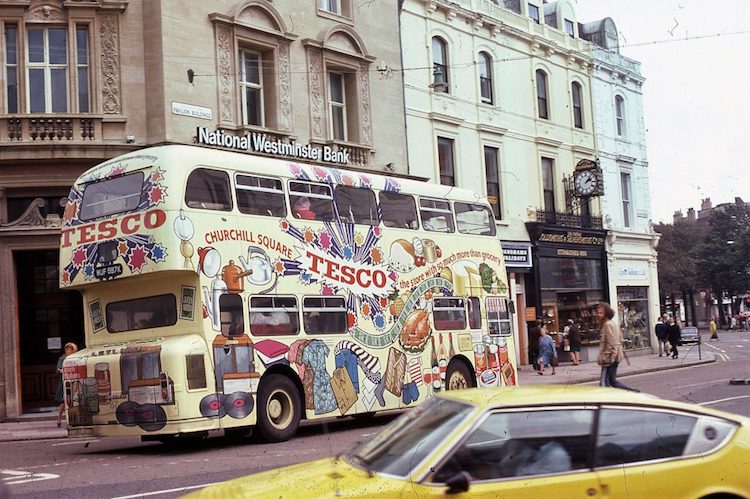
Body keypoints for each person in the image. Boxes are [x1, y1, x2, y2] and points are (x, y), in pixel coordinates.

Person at [597, 303, 638, 391]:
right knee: (612, 381)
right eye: (598, 313)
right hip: (616, 356)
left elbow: (611, 343)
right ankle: (631, 391)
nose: (598, 315)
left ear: (606, 313)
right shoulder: (613, 324)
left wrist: (606, 356)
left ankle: (609, 400)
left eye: (601, 313)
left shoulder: (607, 325)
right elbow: (620, 338)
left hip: (610, 357)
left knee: (604, 382)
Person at [55, 342, 78, 427]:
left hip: (74, 381)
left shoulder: (76, 358)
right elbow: (58, 370)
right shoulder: (62, 359)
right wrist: (62, 370)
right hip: (65, 382)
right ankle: (59, 418)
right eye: (67, 349)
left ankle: (73, 418)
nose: (69, 351)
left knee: (74, 400)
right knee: (63, 400)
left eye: (71, 349)